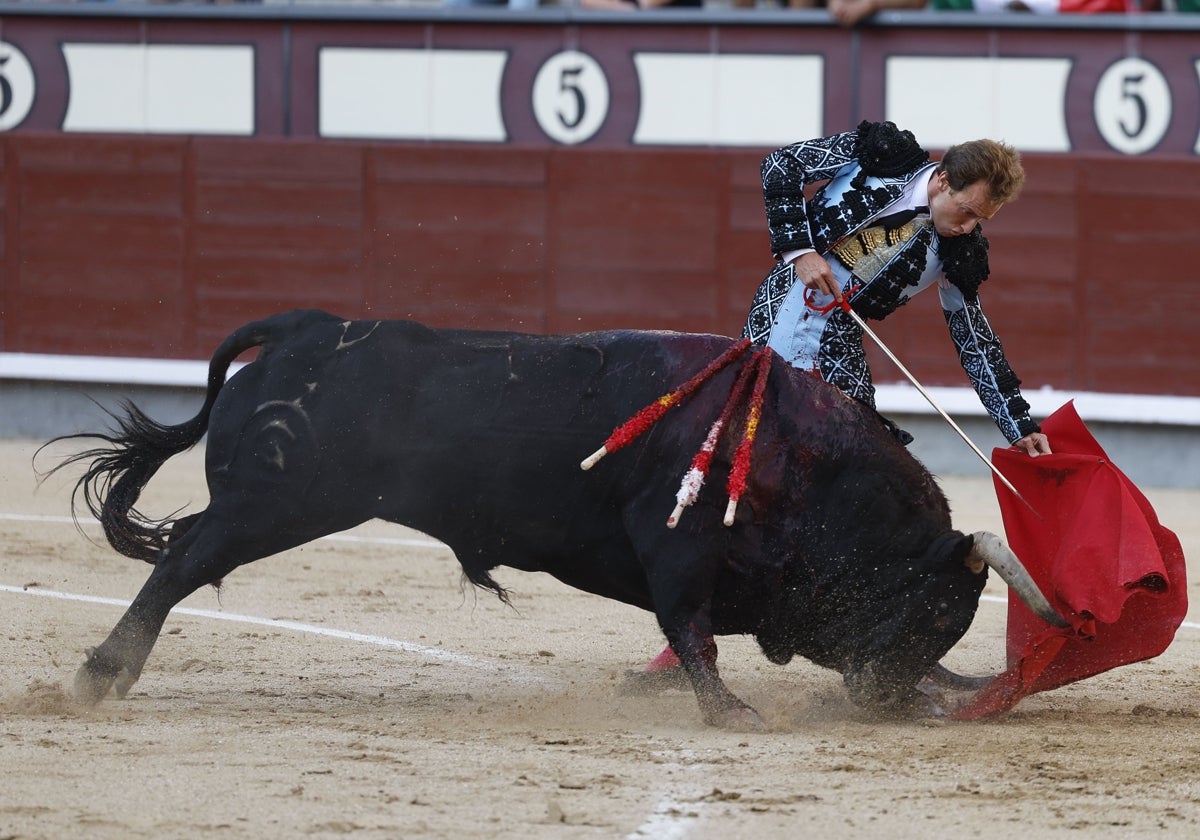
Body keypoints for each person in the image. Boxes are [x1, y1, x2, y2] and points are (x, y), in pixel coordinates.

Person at [632, 120, 1051, 685]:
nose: (970, 227)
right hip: (783, 315)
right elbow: (780, 166)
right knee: (743, 475)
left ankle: (898, 646)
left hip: (839, 340)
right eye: (968, 211)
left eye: (982, 220)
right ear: (943, 180)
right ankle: (683, 643)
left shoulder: (961, 252)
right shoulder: (884, 157)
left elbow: (972, 337)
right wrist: (800, 248)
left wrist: (1016, 422)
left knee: (862, 479)